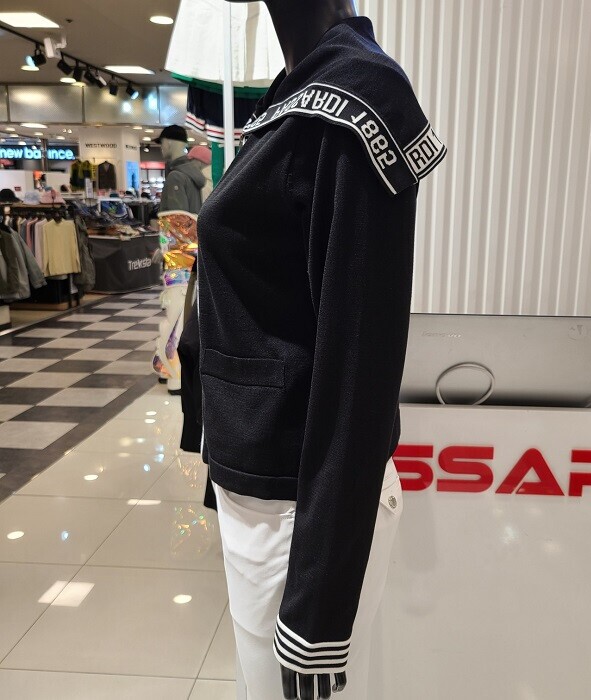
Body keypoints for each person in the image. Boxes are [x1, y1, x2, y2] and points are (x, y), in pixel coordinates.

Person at [197, 2, 446, 699]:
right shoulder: (297, 89)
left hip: (296, 502)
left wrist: (319, 609)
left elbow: (359, 365)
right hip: (266, 488)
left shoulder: (356, 98)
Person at [155, 124, 205, 213]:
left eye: (162, 142)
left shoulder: (176, 176)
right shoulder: (192, 173)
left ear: (168, 142)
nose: (161, 147)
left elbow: (177, 217)